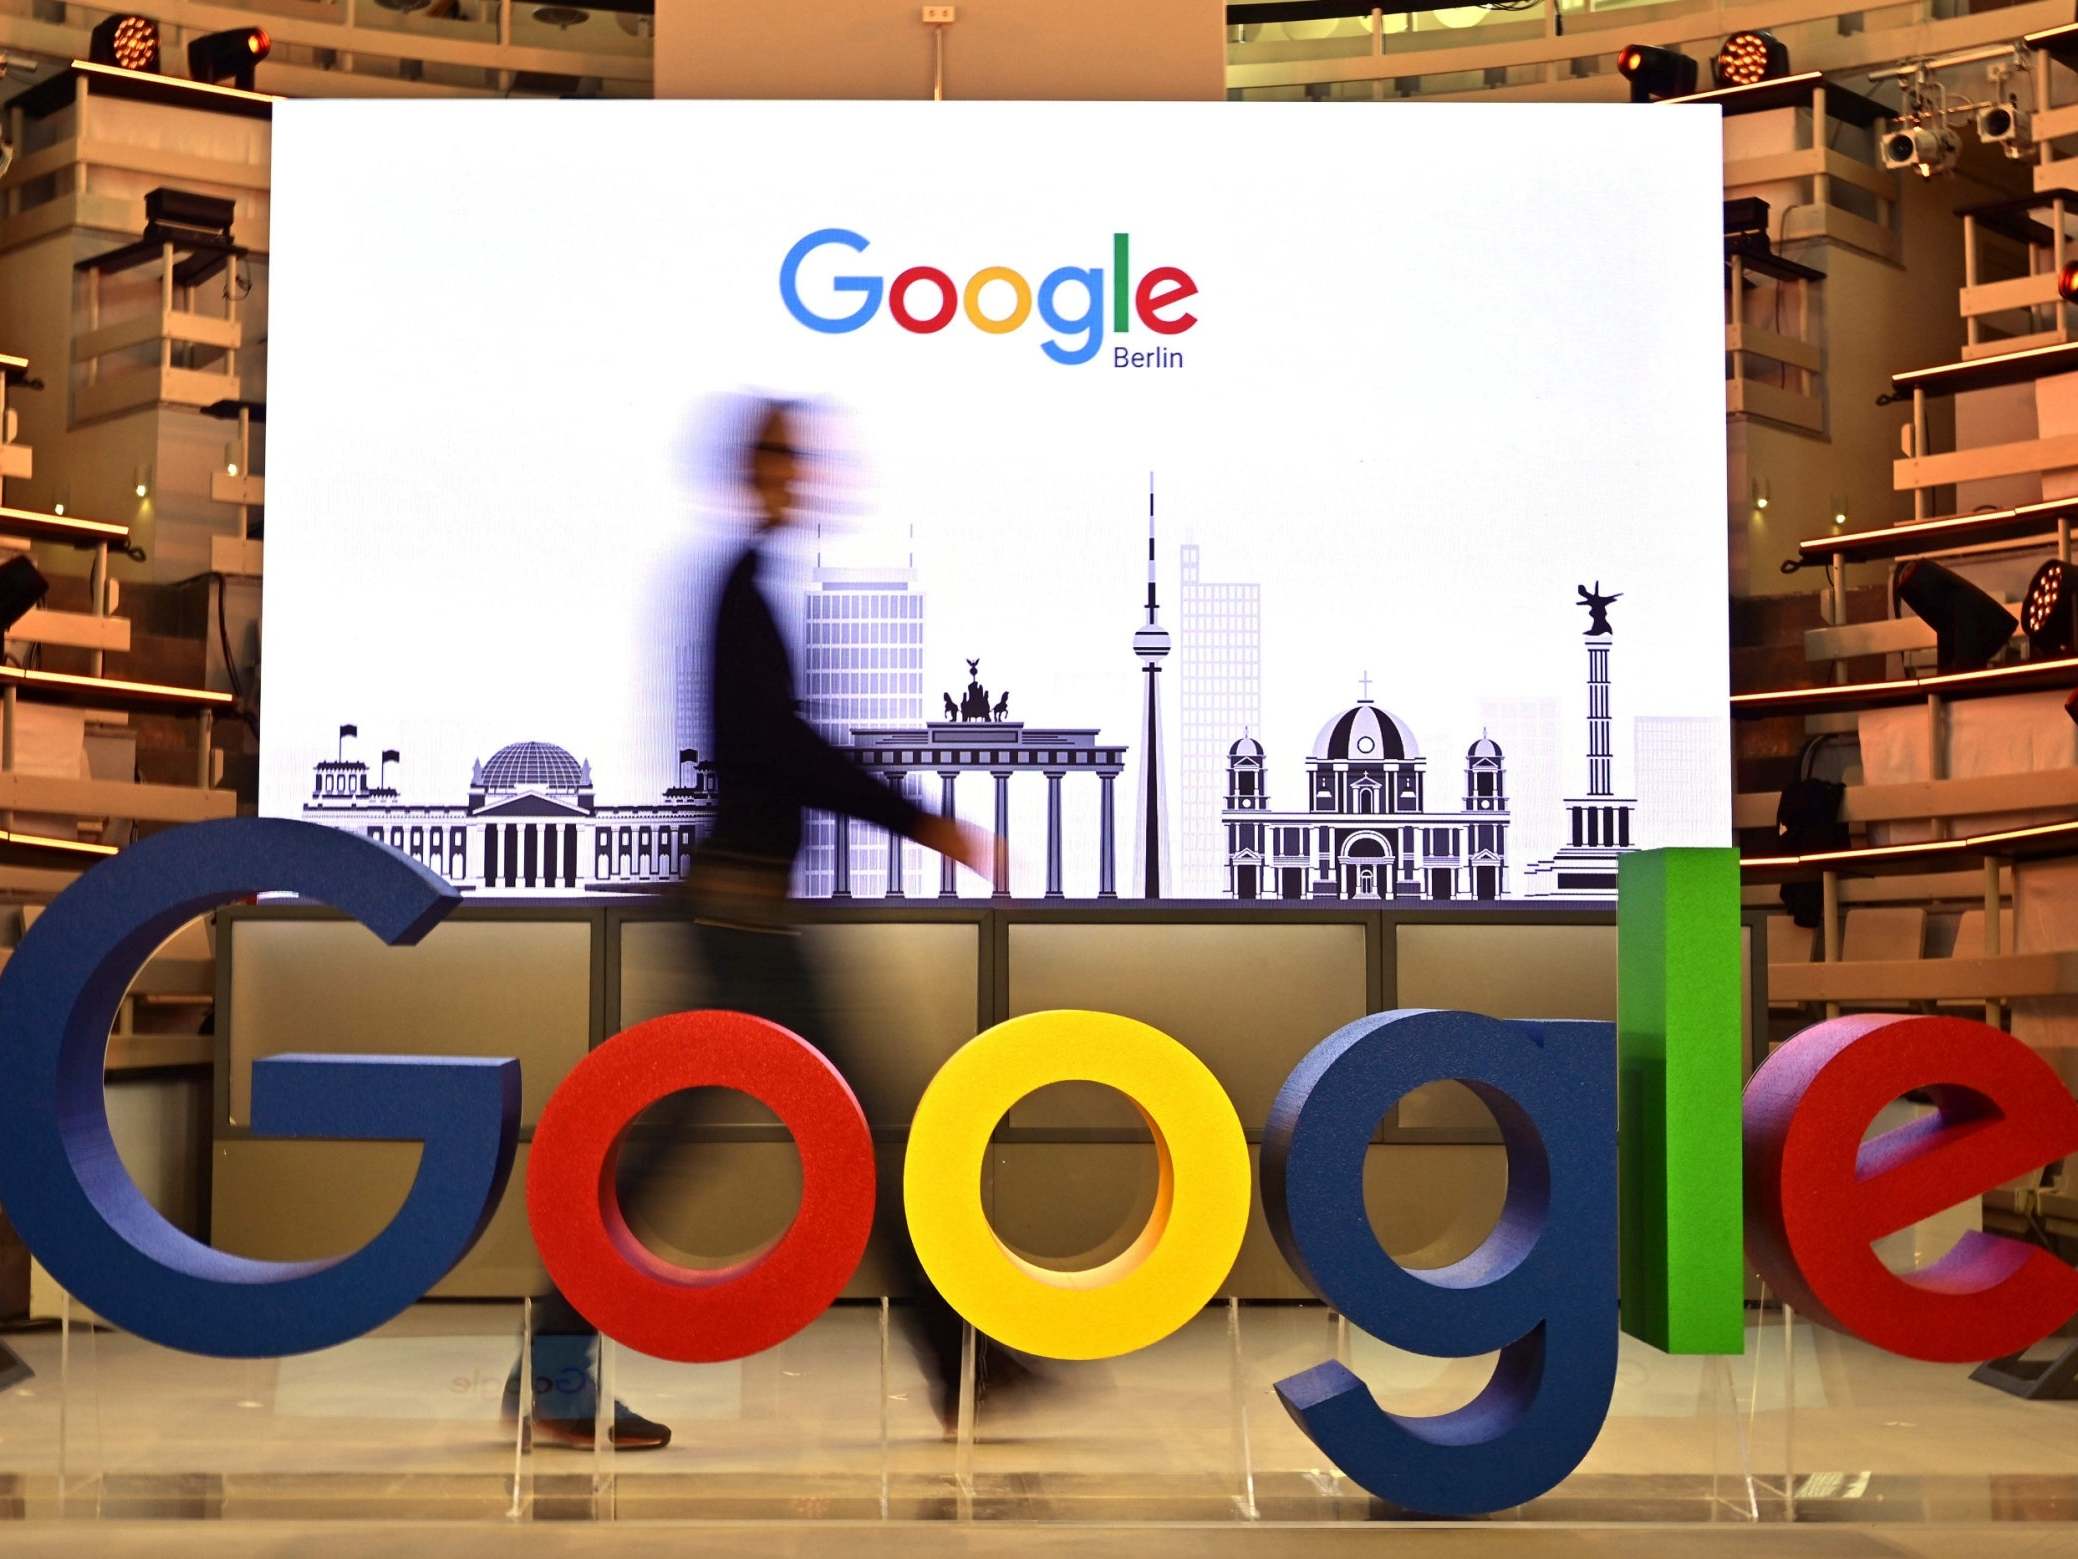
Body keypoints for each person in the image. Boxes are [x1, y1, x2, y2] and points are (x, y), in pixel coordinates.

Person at [508, 397, 996, 1450]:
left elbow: (778, 750)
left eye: (801, 454)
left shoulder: (741, 589)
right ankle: (966, 1363)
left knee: (764, 1137)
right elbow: (778, 750)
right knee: (850, 1135)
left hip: (745, 906)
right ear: (750, 468)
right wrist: (917, 814)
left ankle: (967, 1362)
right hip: (740, 913)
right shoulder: (737, 590)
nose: (799, 472)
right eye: (781, 454)